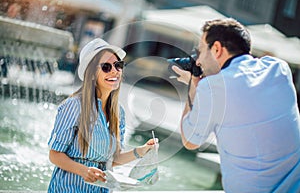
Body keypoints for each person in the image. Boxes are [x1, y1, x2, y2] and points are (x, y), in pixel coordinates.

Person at [172, 18, 300, 192]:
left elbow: (190, 141)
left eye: (200, 51)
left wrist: (193, 86)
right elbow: (244, 91)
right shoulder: (279, 68)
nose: (198, 61)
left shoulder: (213, 88)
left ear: (216, 49)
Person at [47, 38, 158, 192]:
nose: (115, 71)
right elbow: (55, 155)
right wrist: (84, 171)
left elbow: (113, 160)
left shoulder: (119, 112)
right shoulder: (73, 106)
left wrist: (142, 150)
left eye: (118, 65)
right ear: (91, 74)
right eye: (106, 67)